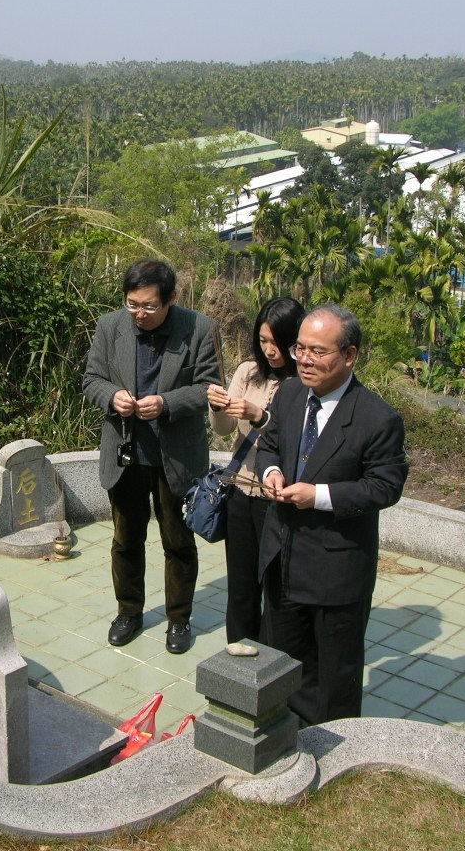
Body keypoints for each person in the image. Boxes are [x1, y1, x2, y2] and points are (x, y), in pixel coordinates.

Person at [256, 303, 408, 725]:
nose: (304, 359)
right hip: (282, 557)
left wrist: (318, 495)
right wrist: (271, 473)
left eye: (318, 351)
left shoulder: (377, 418)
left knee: (332, 681)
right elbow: (270, 445)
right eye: (300, 348)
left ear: (350, 355)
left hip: (335, 573)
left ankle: (332, 750)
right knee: (279, 667)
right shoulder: (289, 394)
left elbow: (385, 486)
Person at [82, 259, 222, 654]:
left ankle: (179, 619)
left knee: (177, 542)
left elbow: (210, 388)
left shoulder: (199, 328)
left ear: (171, 298)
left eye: (148, 306)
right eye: (132, 305)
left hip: (175, 455)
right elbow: (91, 380)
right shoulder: (110, 326)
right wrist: (112, 397)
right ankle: (129, 611)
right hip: (126, 453)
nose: (139, 314)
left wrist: (166, 403)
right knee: (126, 539)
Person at [206, 296, 305, 644]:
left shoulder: (303, 383)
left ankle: (273, 659)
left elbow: (295, 441)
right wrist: (217, 407)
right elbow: (224, 431)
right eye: (263, 340)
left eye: (277, 342)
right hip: (240, 490)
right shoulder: (248, 372)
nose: (269, 350)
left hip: (276, 497)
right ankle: (239, 655)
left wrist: (260, 417)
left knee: (276, 587)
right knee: (241, 585)